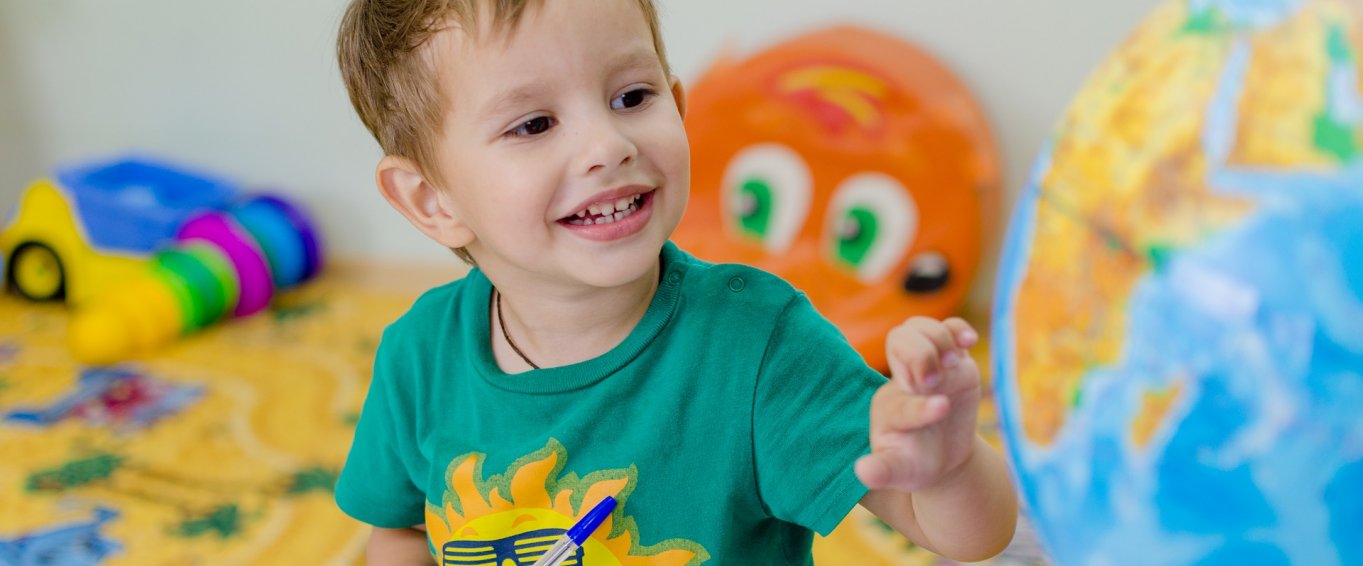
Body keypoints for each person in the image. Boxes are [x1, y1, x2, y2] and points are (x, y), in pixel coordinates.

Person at [332, 0, 1019, 564]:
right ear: (431, 201)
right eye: (534, 123)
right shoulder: (416, 355)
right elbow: (397, 531)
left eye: (632, 96)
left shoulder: (762, 347)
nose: (608, 144)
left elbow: (968, 537)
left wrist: (949, 468)